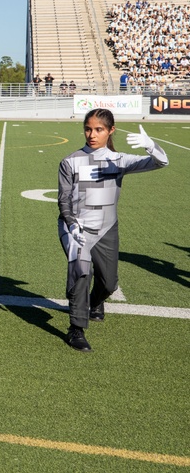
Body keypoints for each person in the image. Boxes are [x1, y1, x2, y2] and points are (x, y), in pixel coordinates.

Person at [57, 110, 168, 352]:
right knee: (81, 270)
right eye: (88, 129)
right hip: (76, 228)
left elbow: (161, 162)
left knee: (108, 284)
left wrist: (151, 146)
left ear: (110, 131)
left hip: (107, 228)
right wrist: (71, 222)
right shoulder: (70, 161)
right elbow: (64, 198)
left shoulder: (119, 160)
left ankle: (95, 302)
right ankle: (76, 328)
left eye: (99, 129)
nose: (92, 134)